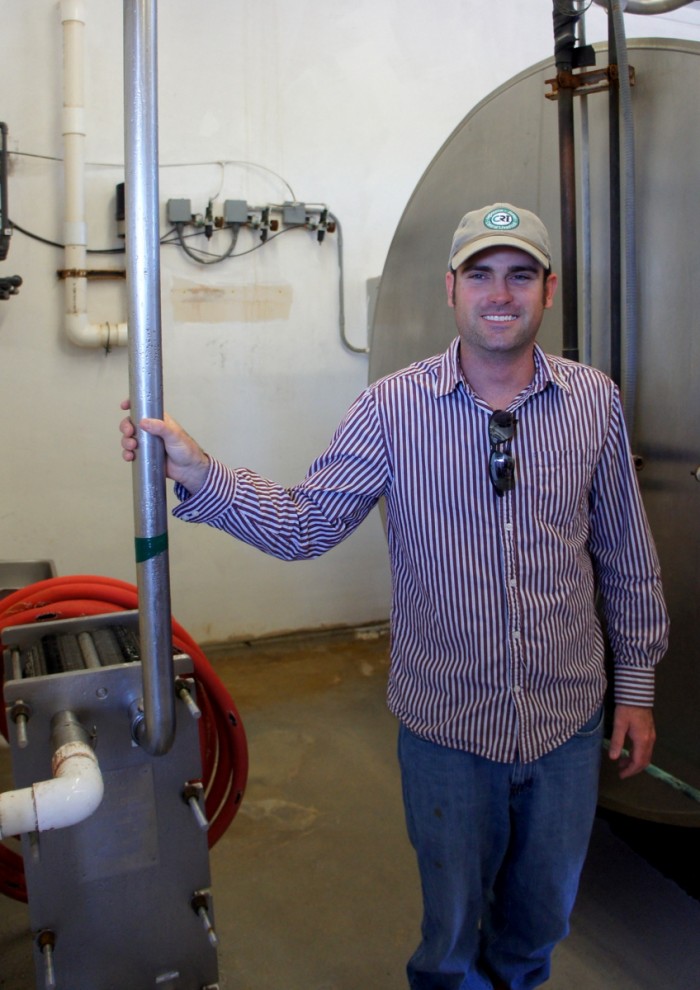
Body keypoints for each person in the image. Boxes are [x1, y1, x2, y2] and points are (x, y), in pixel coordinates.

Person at [120, 202, 669, 990]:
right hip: (448, 727)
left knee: (542, 920)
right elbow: (307, 523)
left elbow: (625, 552)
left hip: (566, 724)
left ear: (549, 290)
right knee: (450, 934)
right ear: (451, 289)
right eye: (480, 275)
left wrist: (637, 691)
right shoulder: (391, 410)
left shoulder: (594, 403)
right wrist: (200, 472)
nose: (500, 294)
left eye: (520, 275)